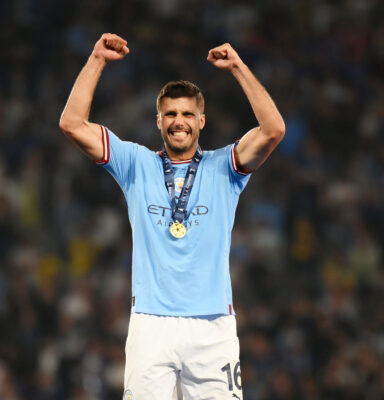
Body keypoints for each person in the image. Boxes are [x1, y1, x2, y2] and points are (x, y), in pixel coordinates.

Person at [59, 33, 285, 400]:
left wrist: (239, 68)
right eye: (170, 114)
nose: (179, 121)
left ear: (202, 121)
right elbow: (71, 123)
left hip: (213, 328)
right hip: (151, 325)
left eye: (187, 114)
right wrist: (97, 59)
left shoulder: (225, 167)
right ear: (158, 121)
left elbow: (274, 130)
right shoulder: (136, 163)